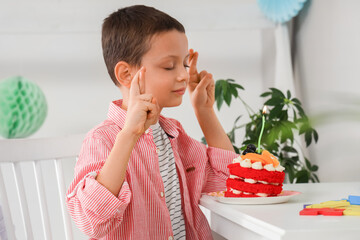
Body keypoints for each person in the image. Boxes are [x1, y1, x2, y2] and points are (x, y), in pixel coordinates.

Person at [66, 5, 237, 240]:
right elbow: (91, 221)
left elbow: (228, 182)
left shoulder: (173, 134)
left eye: (185, 64)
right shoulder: (102, 139)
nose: (184, 75)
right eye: (169, 66)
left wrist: (205, 112)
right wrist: (129, 135)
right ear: (126, 74)